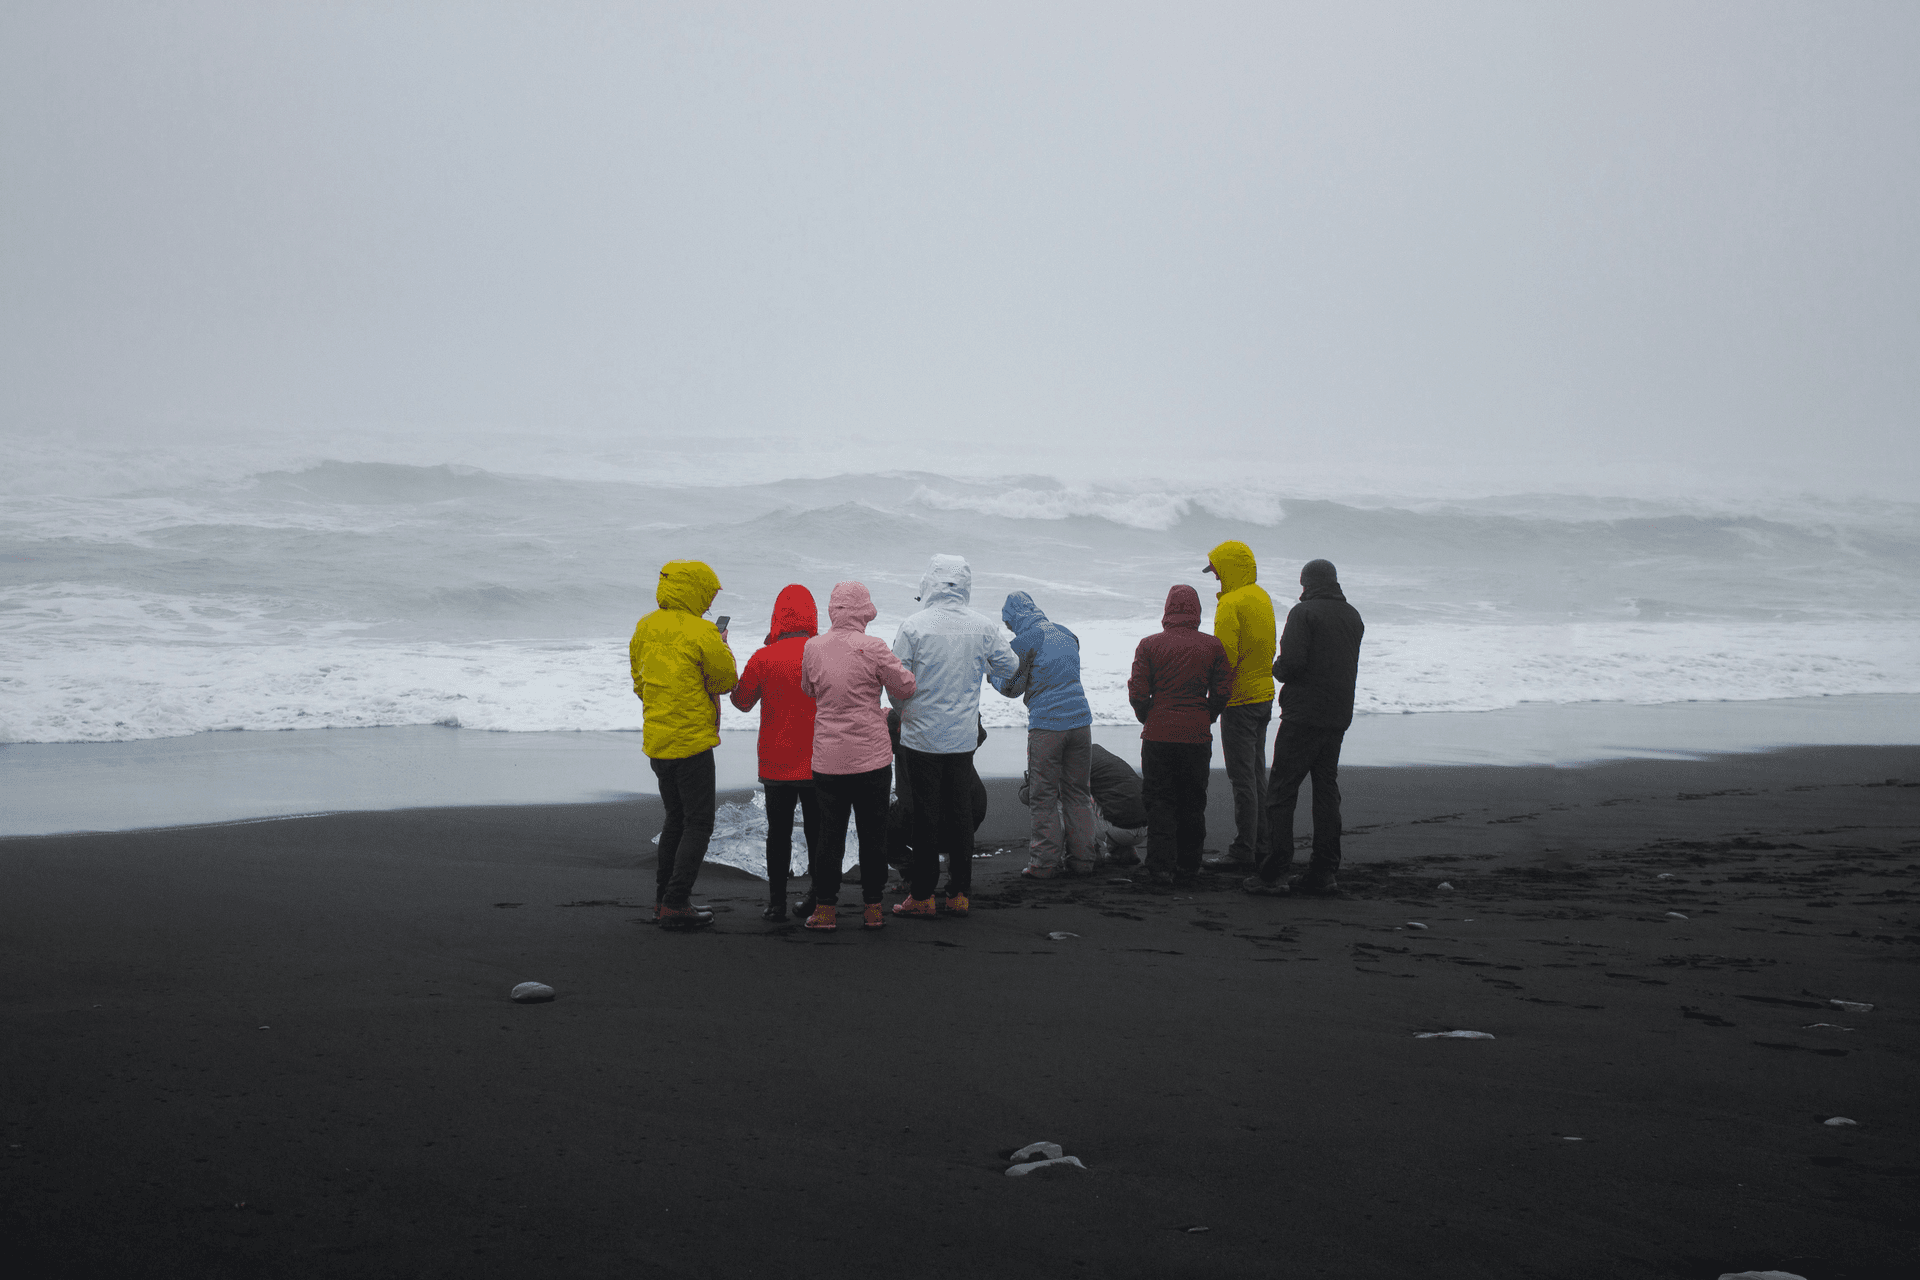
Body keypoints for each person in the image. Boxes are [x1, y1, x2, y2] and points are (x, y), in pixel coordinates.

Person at [889, 555, 1020, 918]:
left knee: (925, 816)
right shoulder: (982, 626)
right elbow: (1010, 666)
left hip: (920, 737)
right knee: (960, 814)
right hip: (962, 737)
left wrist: (904, 714)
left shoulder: (913, 625)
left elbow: (896, 684)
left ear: (928, 583)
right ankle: (959, 893)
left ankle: (923, 896)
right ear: (964, 585)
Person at [799, 581, 917, 931]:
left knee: (829, 835)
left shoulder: (812, 647)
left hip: (828, 759)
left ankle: (825, 909)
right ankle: (873, 908)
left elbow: (809, 689)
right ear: (865, 609)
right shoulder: (874, 647)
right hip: (872, 759)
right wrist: (878, 706)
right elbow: (907, 686)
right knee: (872, 833)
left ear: (833, 608)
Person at [629, 560, 739, 929]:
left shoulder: (645, 626)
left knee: (675, 818)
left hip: (657, 740)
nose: (709, 604)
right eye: (707, 595)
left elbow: (639, 681)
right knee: (698, 822)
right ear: (695, 591)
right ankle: (676, 902)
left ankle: (663, 901)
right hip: (691, 742)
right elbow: (724, 680)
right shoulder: (702, 632)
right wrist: (722, 645)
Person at [1246, 559, 1365, 897]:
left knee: (1281, 791)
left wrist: (1275, 668)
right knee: (1326, 791)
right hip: (1338, 714)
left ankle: (1275, 871)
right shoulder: (1352, 616)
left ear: (1307, 582)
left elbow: (1292, 664)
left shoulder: (1304, 614)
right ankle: (1324, 872)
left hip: (1303, 715)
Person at [1127, 584, 1234, 886]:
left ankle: (1160, 866)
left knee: (1159, 800)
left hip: (1158, 733)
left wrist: (1146, 715)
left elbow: (1137, 691)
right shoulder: (1212, 646)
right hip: (1196, 734)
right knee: (1192, 800)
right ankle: (1189, 865)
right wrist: (1208, 715)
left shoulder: (1149, 644)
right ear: (1197, 610)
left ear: (1168, 608)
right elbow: (1224, 689)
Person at [728, 584, 822, 922]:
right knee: (817, 833)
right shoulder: (821, 652)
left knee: (777, 834)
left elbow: (741, 701)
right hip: (818, 761)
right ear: (812, 615)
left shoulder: (763, 657)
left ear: (777, 616)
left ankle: (777, 903)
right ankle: (817, 897)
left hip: (776, 761)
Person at [992, 591, 1096, 878]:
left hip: (1048, 725)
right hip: (1081, 722)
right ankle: (1083, 859)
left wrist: (991, 674)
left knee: (1044, 795)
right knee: (1078, 791)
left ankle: (1045, 863)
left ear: (1014, 617)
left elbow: (1012, 687)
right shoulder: (1067, 634)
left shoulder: (1024, 642)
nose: (1009, 628)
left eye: (1008, 622)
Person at [1203, 540, 1276, 873]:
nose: (1216, 579)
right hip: (1264, 695)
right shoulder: (1262, 597)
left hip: (1240, 701)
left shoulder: (1230, 605)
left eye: (1217, 572)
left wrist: (1211, 700)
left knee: (1242, 778)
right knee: (1257, 775)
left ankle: (1244, 849)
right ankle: (1263, 843)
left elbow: (1225, 659)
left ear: (1229, 569)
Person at [884, 709, 988, 871]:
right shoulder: (960, 708)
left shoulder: (900, 717)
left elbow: (871, 745)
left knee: (876, 827)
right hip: (972, 810)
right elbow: (980, 735)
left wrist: (883, 719)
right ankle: (958, 880)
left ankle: (912, 873)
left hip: (922, 820)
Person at [1018, 741, 1147, 866]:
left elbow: (1035, 795)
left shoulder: (1068, 761)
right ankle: (1124, 852)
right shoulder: (1096, 752)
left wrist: (1028, 784)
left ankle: (1088, 852)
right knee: (1105, 795)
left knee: (1061, 798)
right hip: (1145, 827)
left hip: (1118, 830)